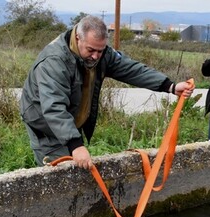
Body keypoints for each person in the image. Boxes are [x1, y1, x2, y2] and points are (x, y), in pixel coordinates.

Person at [20, 15, 194, 169]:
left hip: (70, 124)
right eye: (91, 50)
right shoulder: (54, 61)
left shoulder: (101, 54)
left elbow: (131, 69)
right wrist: (76, 145)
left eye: (100, 50)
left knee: (76, 175)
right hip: (47, 129)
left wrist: (169, 86)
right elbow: (54, 107)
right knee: (62, 181)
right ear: (78, 37)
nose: (96, 56)